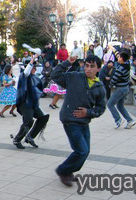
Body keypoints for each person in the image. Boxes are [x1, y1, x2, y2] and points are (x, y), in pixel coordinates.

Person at [52, 55, 106, 187]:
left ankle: (68, 171)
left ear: (98, 69)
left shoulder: (99, 87)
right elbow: (55, 75)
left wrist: (88, 112)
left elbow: (101, 107)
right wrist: (67, 63)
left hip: (84, 122)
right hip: (70, 120)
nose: (88, 69)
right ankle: (62, 171)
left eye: (92, 66)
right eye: (86, 65)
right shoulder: (74, 77)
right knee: (81, 150)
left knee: (85, 151)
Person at [13, 56, 49, 149]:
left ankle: (30, 137)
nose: (35, 69)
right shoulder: (24, 76)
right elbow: (27, 70)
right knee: (28, 121)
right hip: (25, 103)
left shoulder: (35, 77)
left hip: (33, 103)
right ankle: (17, 139)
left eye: (35, 67)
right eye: (33, 67)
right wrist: (32, 60)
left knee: (43, 117)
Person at [107, 48, 136, 129]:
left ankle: (118, 119)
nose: (118, 58)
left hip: (121, 89)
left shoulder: (120, 69)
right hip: (125, 88)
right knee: (120, 106)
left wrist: (110, 85)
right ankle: (130, 121)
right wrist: (113, 49)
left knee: (110, 104)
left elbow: (114, 79)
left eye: (119, 57)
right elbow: (118, 54)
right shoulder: (127, 63)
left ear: (122, 59)